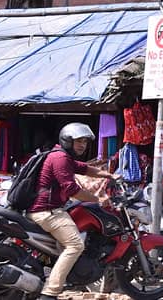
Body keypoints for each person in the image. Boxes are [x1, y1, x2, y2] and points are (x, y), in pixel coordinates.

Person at [28, 123, 113, 300]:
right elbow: (71, 189)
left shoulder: (63, 157)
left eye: (85, 142)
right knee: (75, 245)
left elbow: (84, 168)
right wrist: (99, 200)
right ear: (67, 141)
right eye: (78, 141)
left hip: (51, 209)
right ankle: (50, 293)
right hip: (47, 211)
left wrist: (109, 175)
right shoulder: (60, 158)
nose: (82, 145)